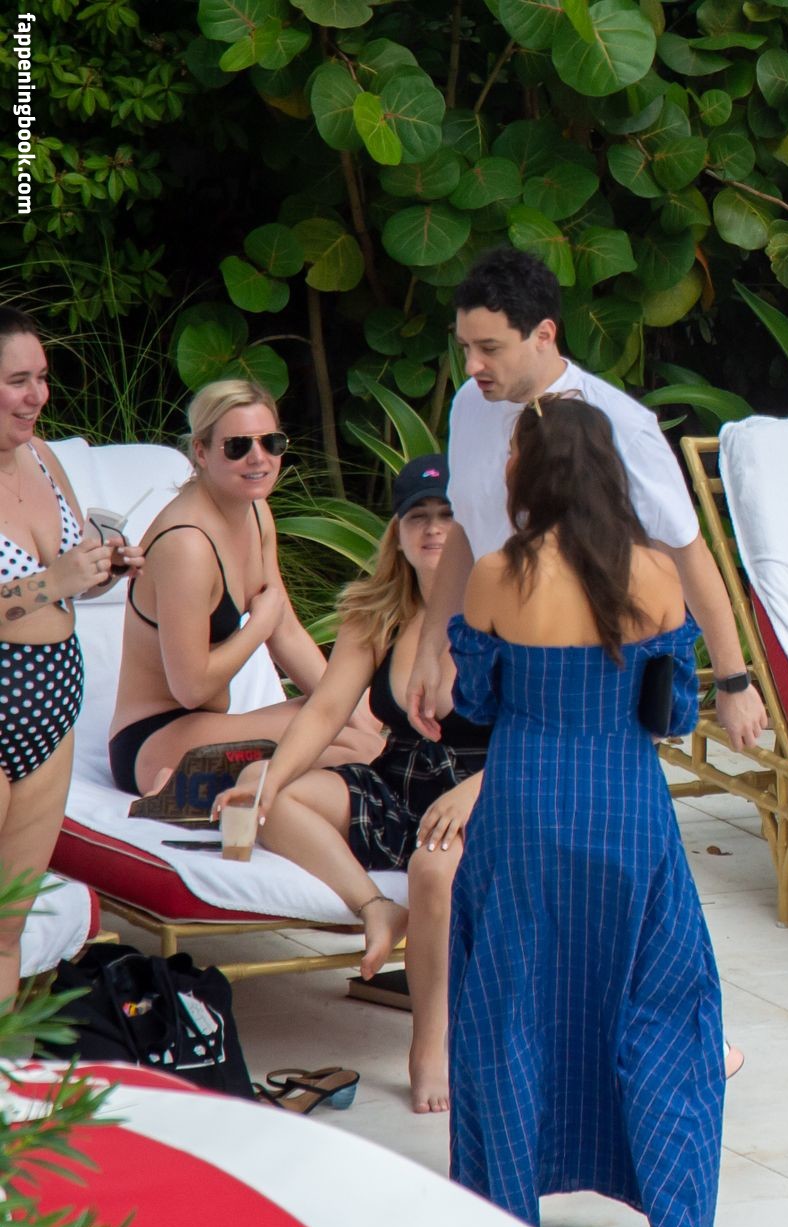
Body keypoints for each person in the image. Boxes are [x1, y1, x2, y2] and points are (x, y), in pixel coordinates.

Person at [446, 394, 727, 1227]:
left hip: (525, 805)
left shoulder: (497, 573)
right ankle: (679, 1225)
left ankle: (505, 1218)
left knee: (511, 1005)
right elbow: (674, 712)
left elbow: (473, 702)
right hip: (626, 803)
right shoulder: (657, 576)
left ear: (529, 471)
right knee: (664, 1002)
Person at [405, 246, 768, 760]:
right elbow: (466, 524)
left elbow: (687, 550)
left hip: (598, 687)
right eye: (465, 346)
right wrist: (430, 648)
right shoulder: (469, 404)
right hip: (503, 673)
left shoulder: (621, 425)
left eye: (489, 347)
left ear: (544, 334)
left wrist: (733, 682)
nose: (472, 366)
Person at [213, 454, 480, 1114]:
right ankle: (373, 906)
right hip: (400, 783)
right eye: (418, 516)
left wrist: (477, 790)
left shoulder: (498, 611)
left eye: (448, 515)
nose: (433, 529)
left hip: (482, 787)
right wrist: (271, 779)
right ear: (397, 533)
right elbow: (326, 710)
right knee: (268, 792)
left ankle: (431, 1045)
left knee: (434, 869)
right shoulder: (379, 613)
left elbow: (540, 723)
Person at [108, 379, 381, 796]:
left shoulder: (255, 511)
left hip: (209, 725)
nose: (259, 458)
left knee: (368, 719)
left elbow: (286, 631)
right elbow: (191, 688)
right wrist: (258, 626)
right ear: (201, 452)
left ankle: (224, 785)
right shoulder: (187, 545)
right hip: (155, 739)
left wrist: (350, 712)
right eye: (237, 447)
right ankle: (185, 788)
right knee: (359, 750)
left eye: (271, 443)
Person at [0, 305, 138, 1002]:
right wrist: (52, 582)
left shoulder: (44, 457)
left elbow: (71, 571)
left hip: (51, 711)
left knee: (7, 929)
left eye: (43, 378)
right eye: (18, 381)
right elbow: (49, 582)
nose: (38, 396)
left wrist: (105, 567)